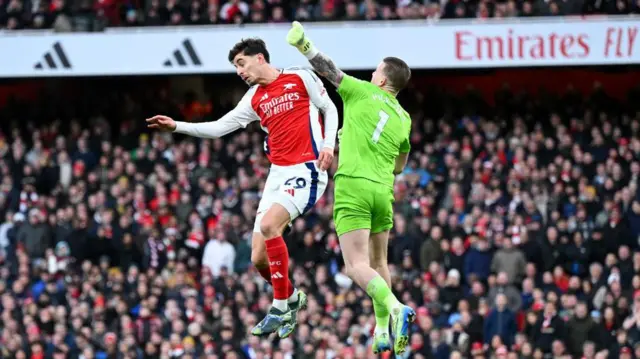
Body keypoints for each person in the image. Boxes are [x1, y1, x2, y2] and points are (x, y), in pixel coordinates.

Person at [146, 37, 339, 338]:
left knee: (270, 224)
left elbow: (329, 108)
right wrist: (178, 126)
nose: (239, 71)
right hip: (277, 174)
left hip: (308, 167)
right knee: (257, 258)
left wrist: (328, 146)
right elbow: (220, 127)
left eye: (241, 63)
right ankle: (291, 297)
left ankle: (279, 307)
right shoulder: (253, 98)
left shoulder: (299, 77)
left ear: (259, 58)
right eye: (236, 66)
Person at [287, 21, 415, 354]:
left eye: (376, 71)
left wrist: (304, 45)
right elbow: (400, 166)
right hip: (383, 192)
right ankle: (383, 330)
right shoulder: (404, 118)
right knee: (379, 263)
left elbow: (328, 70)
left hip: (354, 186)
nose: (373, 74)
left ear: (383, 79)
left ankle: (398, 308)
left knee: (355, 265)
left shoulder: (361, 91)